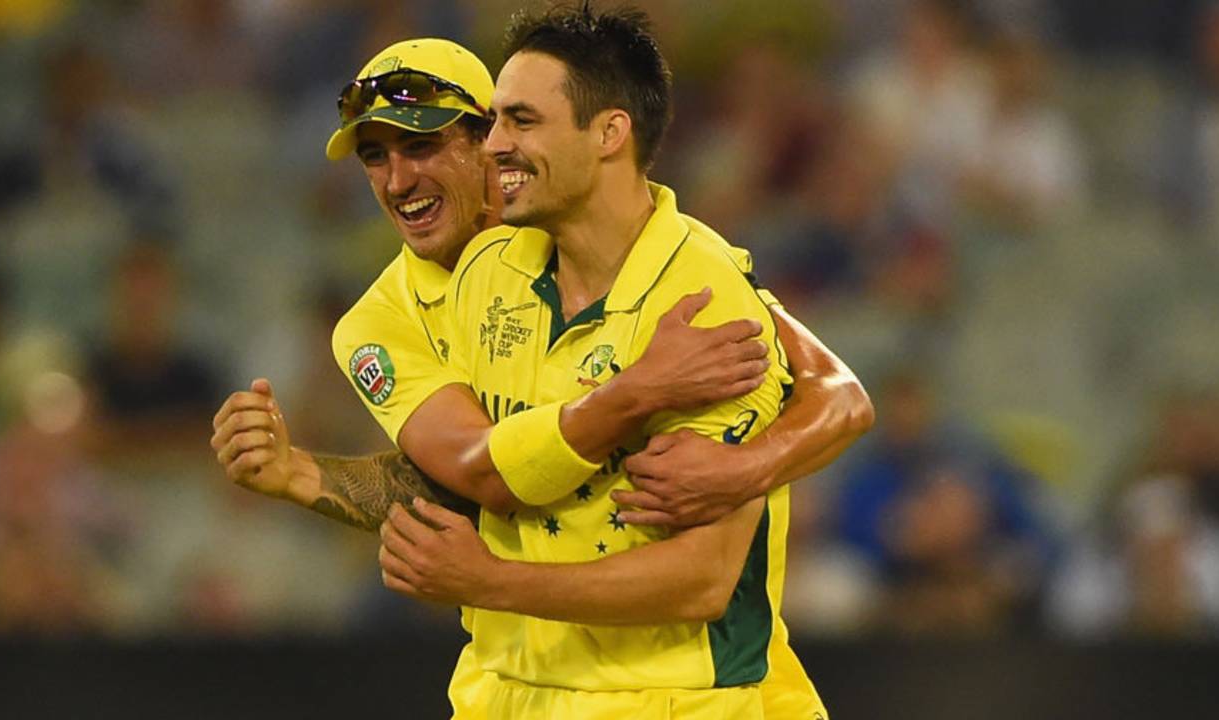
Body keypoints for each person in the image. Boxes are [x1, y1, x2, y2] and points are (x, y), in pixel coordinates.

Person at [210, 25, 870, 720]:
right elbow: (475, 477)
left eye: (424, 143)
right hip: (512, 683)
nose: (398, 180)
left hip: (683, 689)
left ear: (483, 142)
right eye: (375, 157)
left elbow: (838, 390)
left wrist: (749, 465)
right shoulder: (397, 317)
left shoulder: (658, 262)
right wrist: (301, 476)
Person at [376, 5, 835, 717]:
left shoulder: (703, 304)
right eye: (494, 120)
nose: (493, 146)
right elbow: (479, 472)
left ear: (610, 132)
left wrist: (489, 581)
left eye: (521, 121)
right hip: (503, 695)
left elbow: (701, 581)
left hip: (671, 700)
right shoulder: (487, 272)